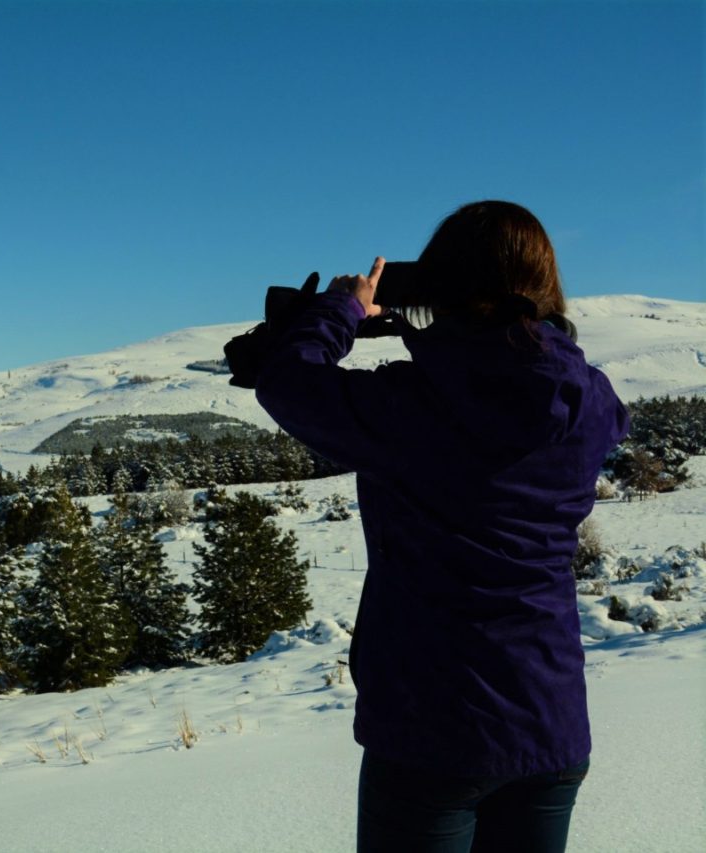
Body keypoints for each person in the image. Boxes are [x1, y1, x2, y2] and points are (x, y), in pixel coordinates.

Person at [253, 201, 629, 853]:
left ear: (441, 284)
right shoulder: (591, 403)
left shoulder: (410, 404)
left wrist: (344, 311)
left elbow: (288, 383)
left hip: (431, 729)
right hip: (550, 723)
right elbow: (542, 380)